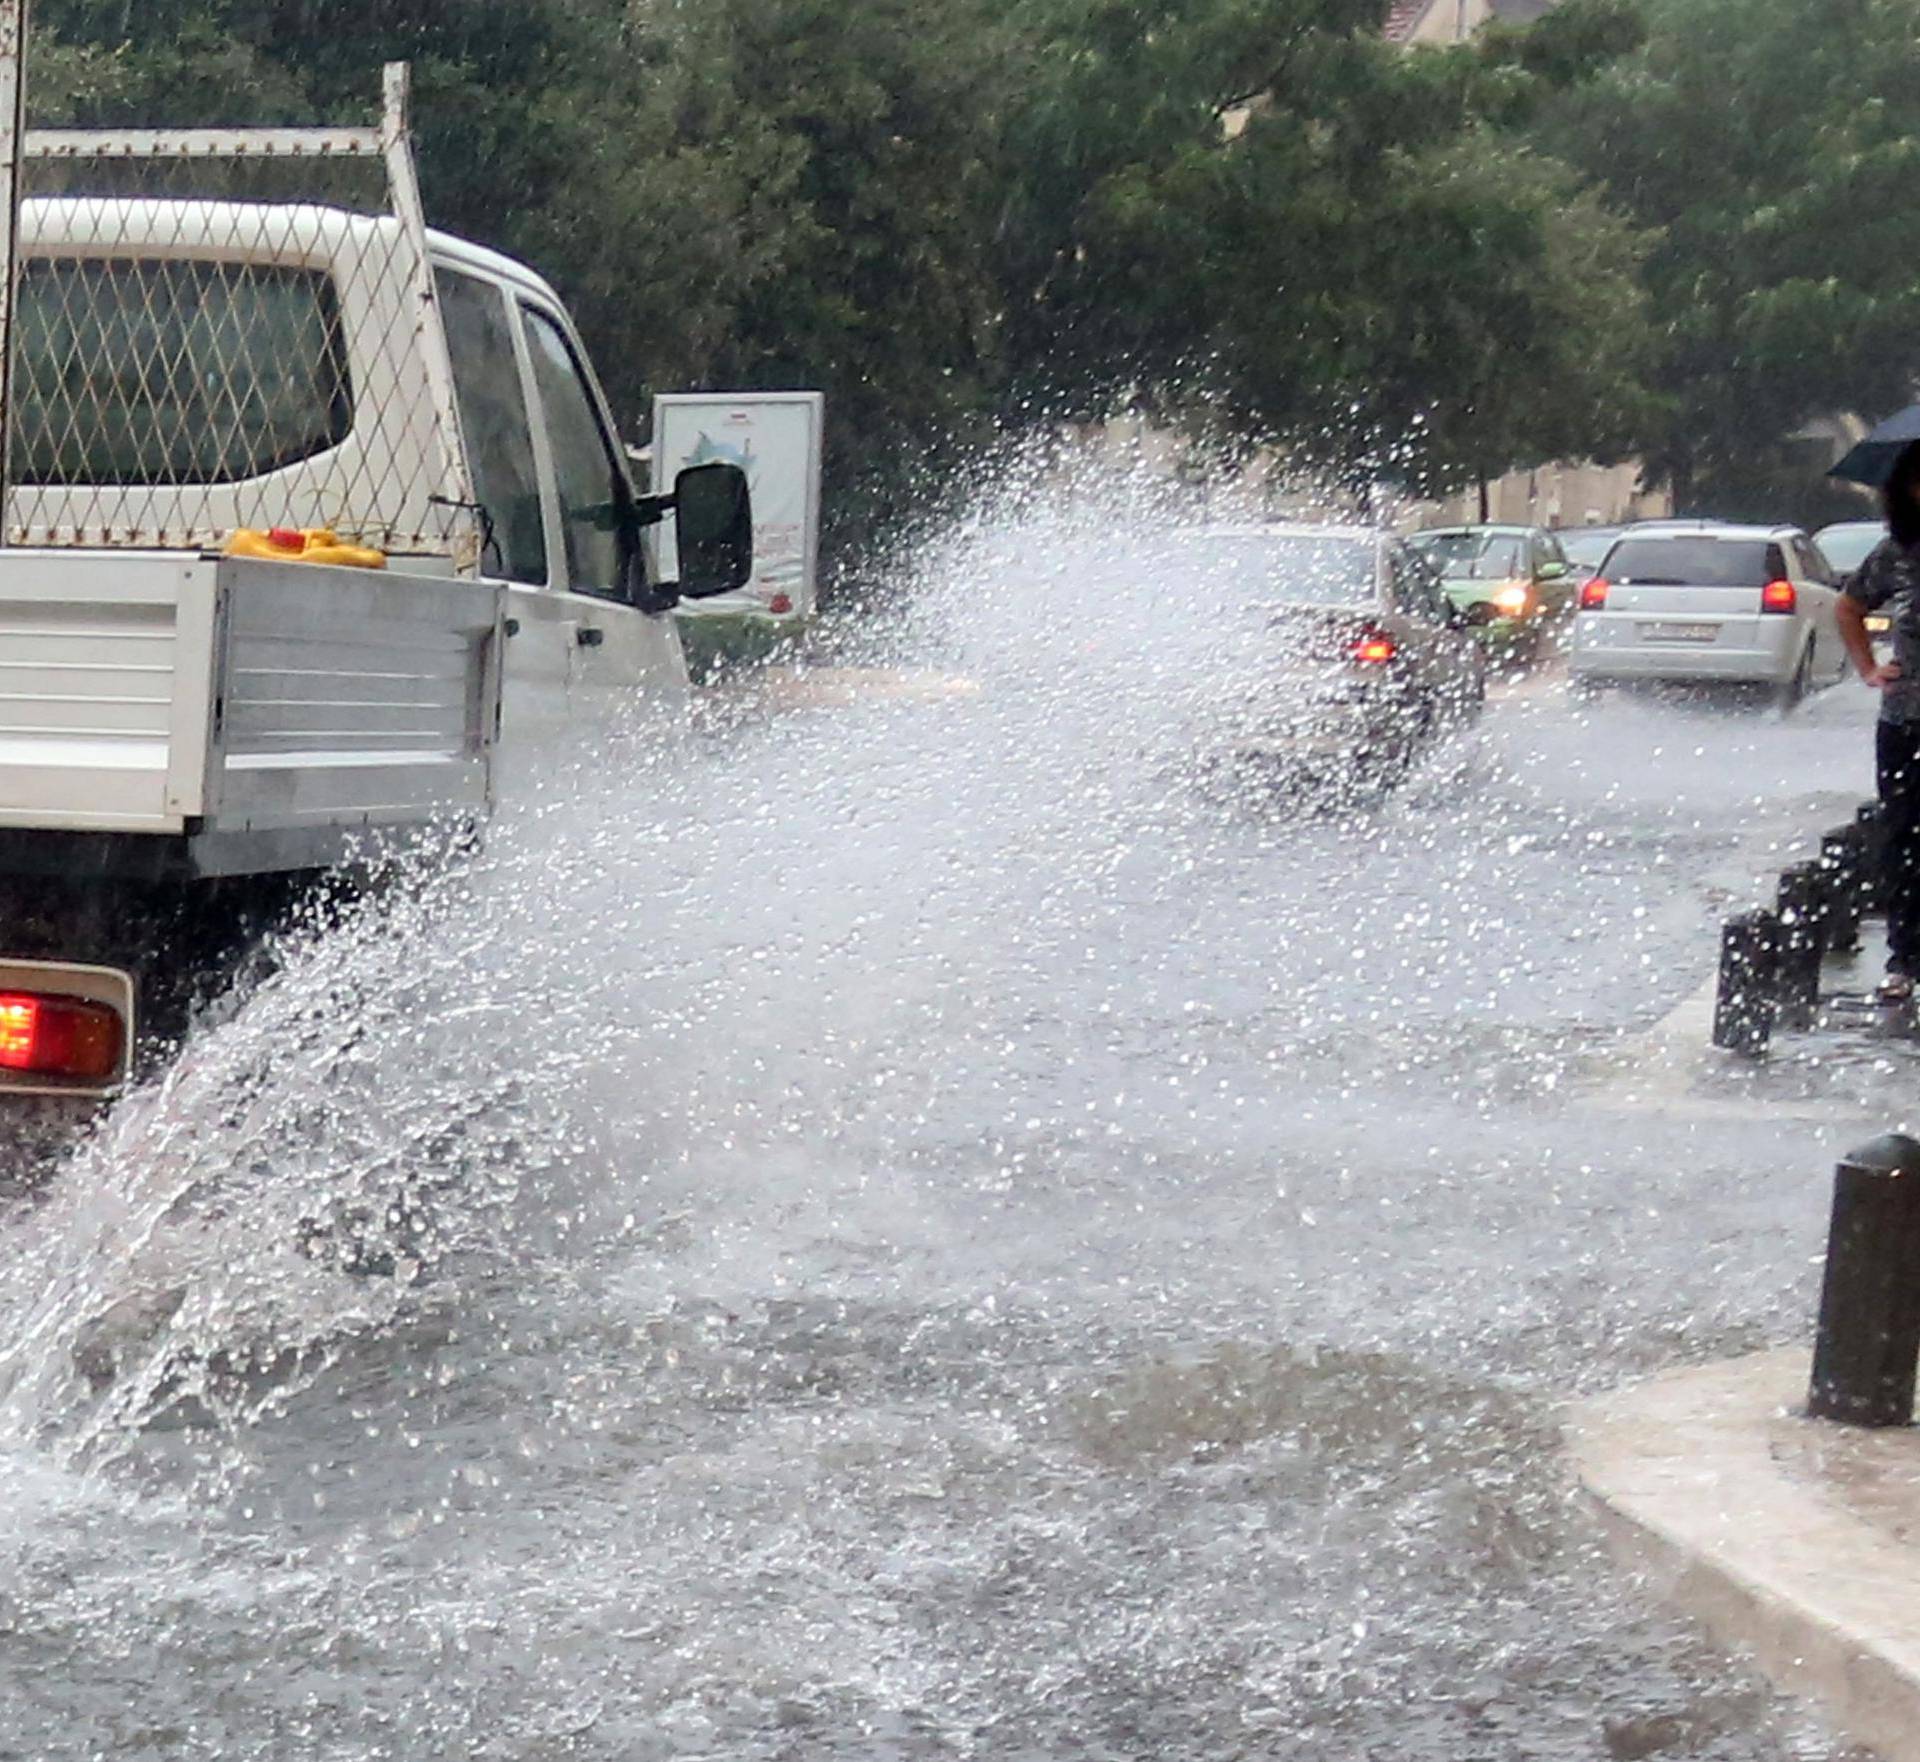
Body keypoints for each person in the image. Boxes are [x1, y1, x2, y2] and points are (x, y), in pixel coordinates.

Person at [1837, 440, 1920, 1002]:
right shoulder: (1897, 552)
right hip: (1907, 721)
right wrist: (1869, 668)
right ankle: (1906, 960)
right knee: (1906, 840)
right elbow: (1849, 606)